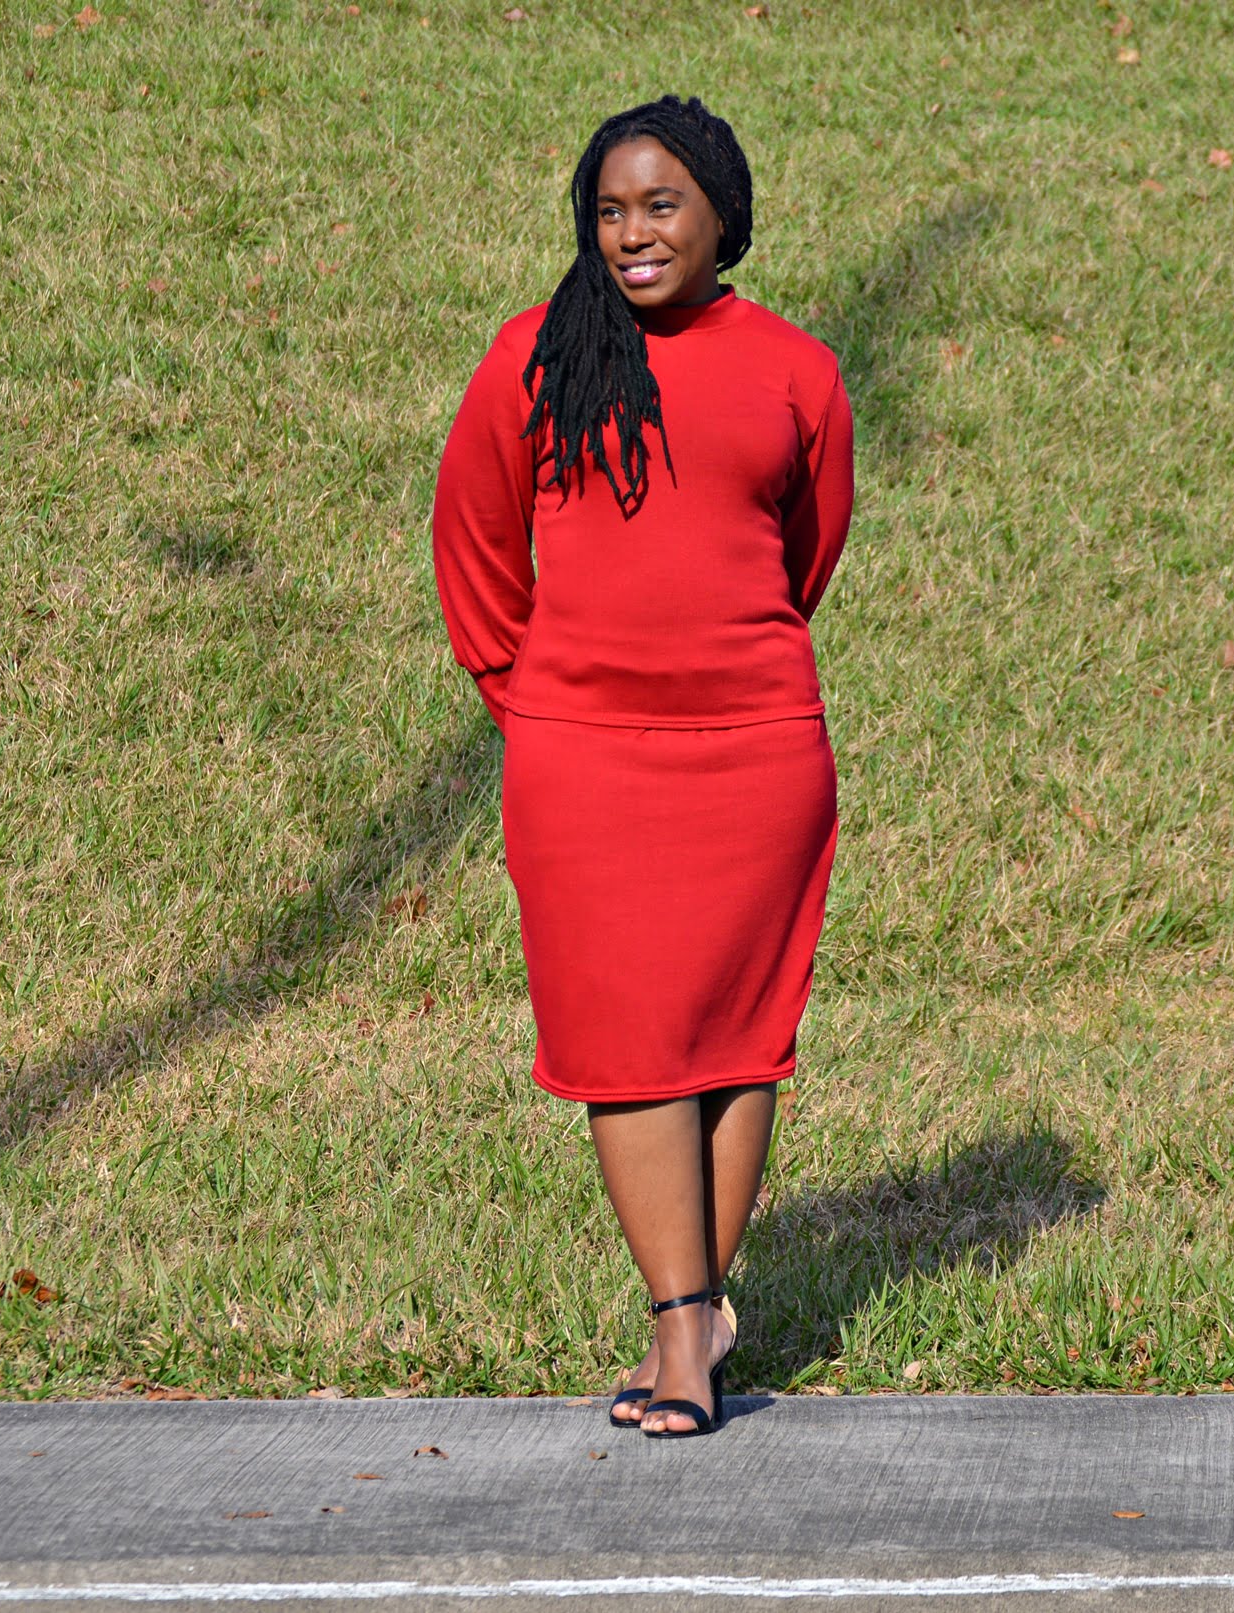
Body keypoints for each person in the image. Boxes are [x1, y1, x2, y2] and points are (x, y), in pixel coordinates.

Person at [431, 95, 853, 1438]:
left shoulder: (799, 370)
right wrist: (546, 708)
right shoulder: (534, 361)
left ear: (723, 210)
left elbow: (805, 551)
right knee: (629, 1046)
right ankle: (685, 1335)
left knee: (734, 1045)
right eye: (609, 210)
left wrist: (732, 682)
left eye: (660, 205)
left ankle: (699, 1313)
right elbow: (477, 548)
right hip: (583, 763)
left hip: (757, 759)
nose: (631, 233)